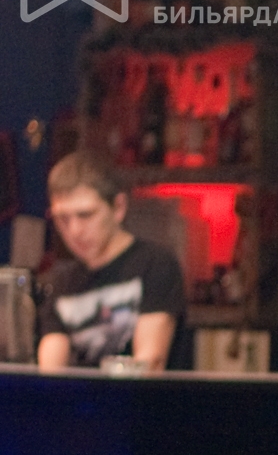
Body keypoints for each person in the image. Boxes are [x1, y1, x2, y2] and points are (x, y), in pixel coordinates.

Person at [35, 152, 186, 373]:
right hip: (78, 396)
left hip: (138, 395)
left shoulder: (156, 265)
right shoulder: (63, 282)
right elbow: (50, 372)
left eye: (85, 215)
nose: (74, 230)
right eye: (63, 218)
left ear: (118, 208)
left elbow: (150, 363)